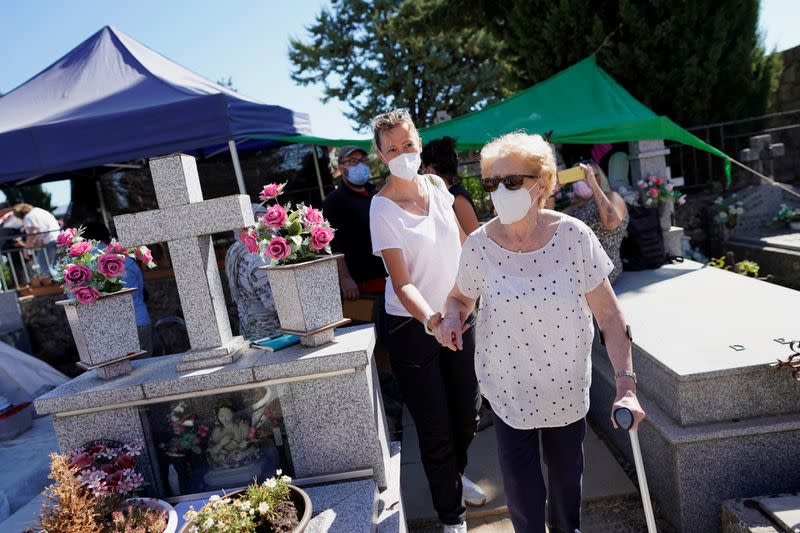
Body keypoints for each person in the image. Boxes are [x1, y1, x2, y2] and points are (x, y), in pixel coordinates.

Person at [436, 132, 645, 533]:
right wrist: (450, 317)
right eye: (492, 183)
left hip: (565, 389)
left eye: (512, 181)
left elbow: (611, 317)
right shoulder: (479, 245)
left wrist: (626, 385)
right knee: (524, 500)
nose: (500, 191)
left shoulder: (573, 237)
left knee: (567, 496)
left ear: (543, 183)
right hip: (508, 391)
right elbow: (460, 298)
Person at [368, 109, 485, 533]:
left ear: (419, 142)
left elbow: (464, 245)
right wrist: (433, 320)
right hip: (413, 328)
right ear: (381, 156)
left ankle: (456, 476)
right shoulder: (381, 209)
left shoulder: (437, 185)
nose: (402, 154)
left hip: (460, 315)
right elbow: (402, 285)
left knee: (468, 415)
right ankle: (452, 518)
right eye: (392, 149)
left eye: (408, 144)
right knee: (435, 428)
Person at [322, 145, 387, 301]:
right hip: (361, 286)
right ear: (341, 168)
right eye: (352, 161)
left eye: (363, 161)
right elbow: (333, 246)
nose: (360, 165)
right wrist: (345, 279)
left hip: (388, 278)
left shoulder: (377, 194)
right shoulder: (334, 201)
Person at [81, 222, 153, 356]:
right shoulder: (127, 259)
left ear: (84, 241)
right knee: (148, 369)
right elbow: (140, 291)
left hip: (108, 328)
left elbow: (77, 300)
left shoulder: (82, 266)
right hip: (139, 320)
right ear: (107, 236)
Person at [564, 162, 629, 284]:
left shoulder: (612, 197)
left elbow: (611, 222)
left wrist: (593, 185)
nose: (581, 181)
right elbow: (547, 225)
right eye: (576, 177)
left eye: (585, 176)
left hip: (602, 271)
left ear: (597, 177)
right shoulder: (575, 207)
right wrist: (551, 192)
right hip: (575, 270)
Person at [225, 204, 280, 341]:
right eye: (262, 221)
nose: (270, 227)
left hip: (247, 328)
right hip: (271, 333)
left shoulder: (234, 250)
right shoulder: (258, 257)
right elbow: (274, 303)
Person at [421, 136, 480, 235]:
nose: (421, 173)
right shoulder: (435, 197)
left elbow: (475, 238)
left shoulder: (457, 198)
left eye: (422, 167)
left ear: (429, 170)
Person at [12, 203, 60, 277]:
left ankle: (59, 285)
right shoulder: (38, 210)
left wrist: (26, 249)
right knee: (56, 267)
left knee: (45, 268)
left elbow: (33, 232)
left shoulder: (28, 217)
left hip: (49, 241)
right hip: (58, 238)